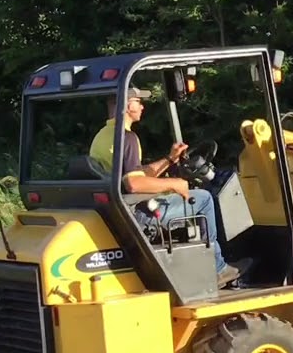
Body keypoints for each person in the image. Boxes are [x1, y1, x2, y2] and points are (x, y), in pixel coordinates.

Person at [90, 87, 241, 287]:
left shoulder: (103, 135)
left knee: (185, 194)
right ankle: (218, 269)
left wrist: (170, 160)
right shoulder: (126, 138)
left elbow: (135, 173)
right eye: (138, 102)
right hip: (138, 213)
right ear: (127, 106)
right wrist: (174, 183)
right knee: (204, 199)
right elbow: (134, 184)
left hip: (124, 208)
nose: (142, 106)